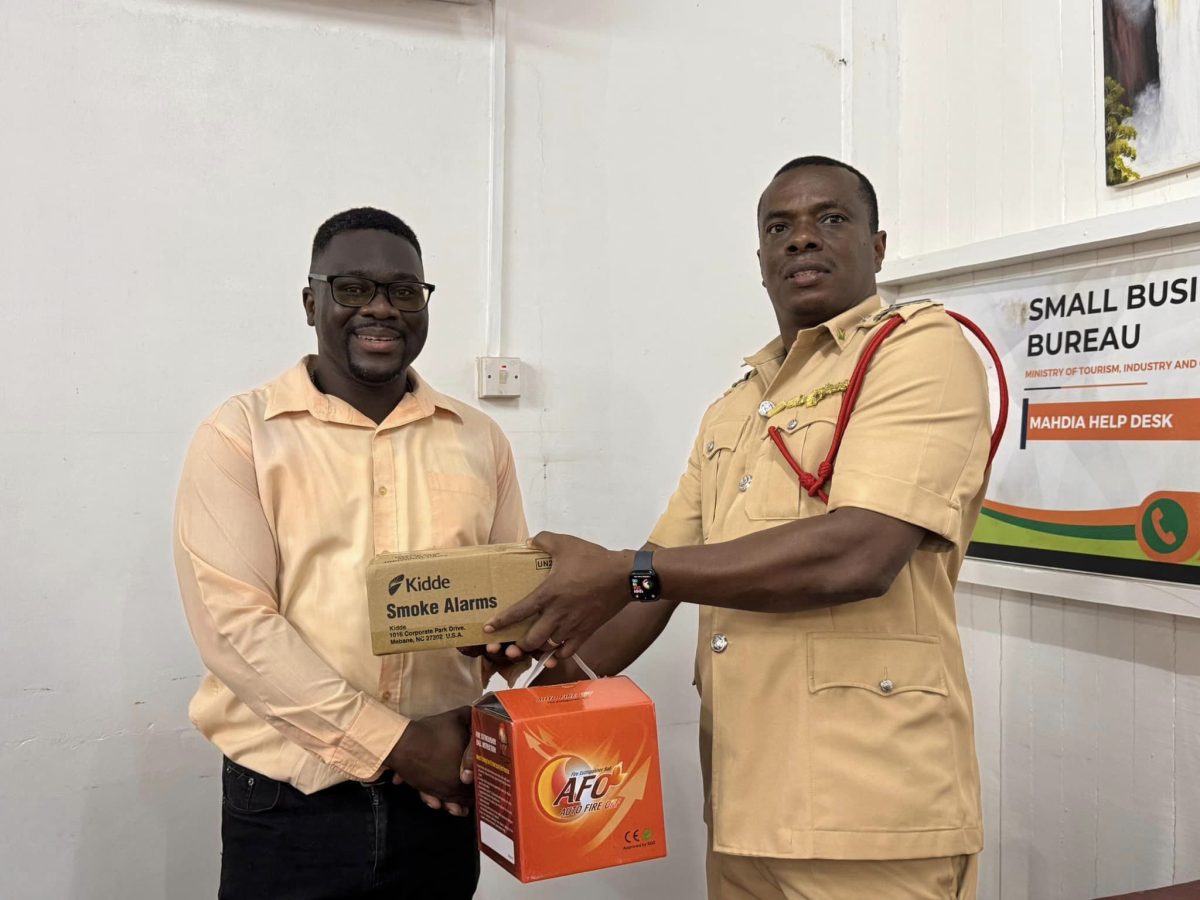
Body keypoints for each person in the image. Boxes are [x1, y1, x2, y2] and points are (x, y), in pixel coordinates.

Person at [484, 157, 991, 900]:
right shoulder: (734, 409)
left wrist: (623, 571)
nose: (801, 240)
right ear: (759, 261)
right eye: (779, 228)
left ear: (879, 247)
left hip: (871, 812)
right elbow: (654, 581)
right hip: (747, 810)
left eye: (832, 219)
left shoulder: (919, 351)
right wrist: (537, 660)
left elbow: (861, 553)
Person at [174, 207, 527, 899]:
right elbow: (235, 630)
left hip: (439, 806)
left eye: (403, 291)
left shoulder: (480, 439)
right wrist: (396, 744)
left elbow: (503, 603)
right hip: (289, 809)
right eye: (353, 288)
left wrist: (519, 645)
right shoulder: (240, 436)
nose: (382, 309)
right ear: (312, 301)